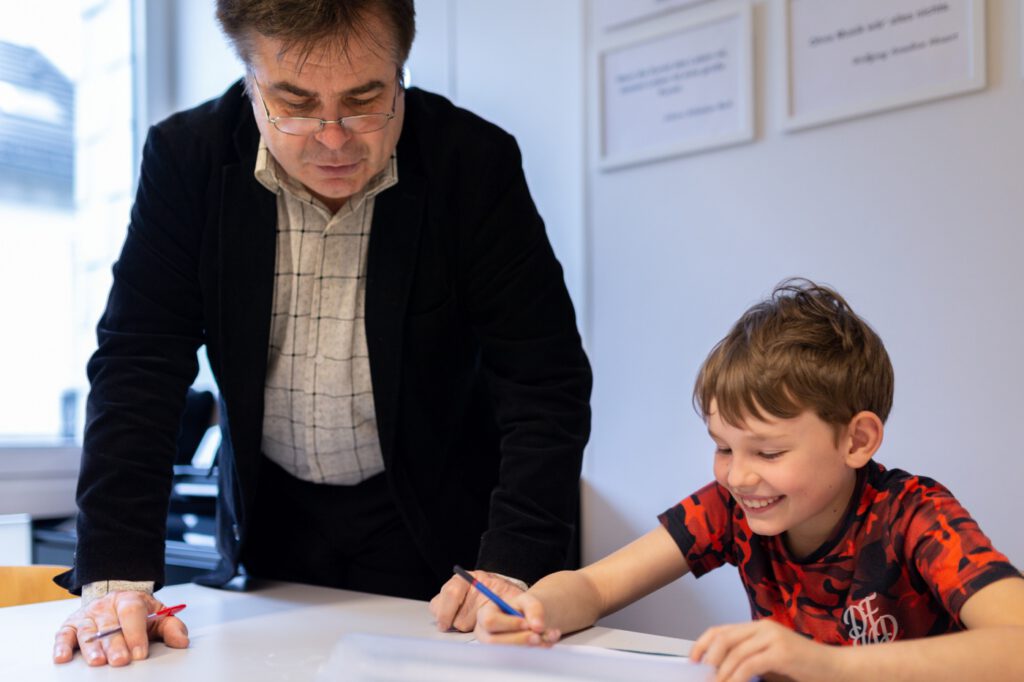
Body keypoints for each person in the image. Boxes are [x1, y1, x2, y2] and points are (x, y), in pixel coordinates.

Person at [52, 0, 591, 667]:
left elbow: (542, 380)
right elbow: (139, 365)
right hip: (272, 520)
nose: (334, 139)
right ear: (250, 77)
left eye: (366, 101)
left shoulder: (471, 163)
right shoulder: (186, 159)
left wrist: (512, 560)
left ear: (401, 71)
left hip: (444, 529)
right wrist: (115, 581)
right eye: (295, 104)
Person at [474, 279, 1024, 681]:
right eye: (721, 447)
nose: (738, 475)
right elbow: (593, 587)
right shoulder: (732, 509)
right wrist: (534, 606)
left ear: (857, 441)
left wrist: (828, 666)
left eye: (769, 450)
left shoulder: (914, 514)